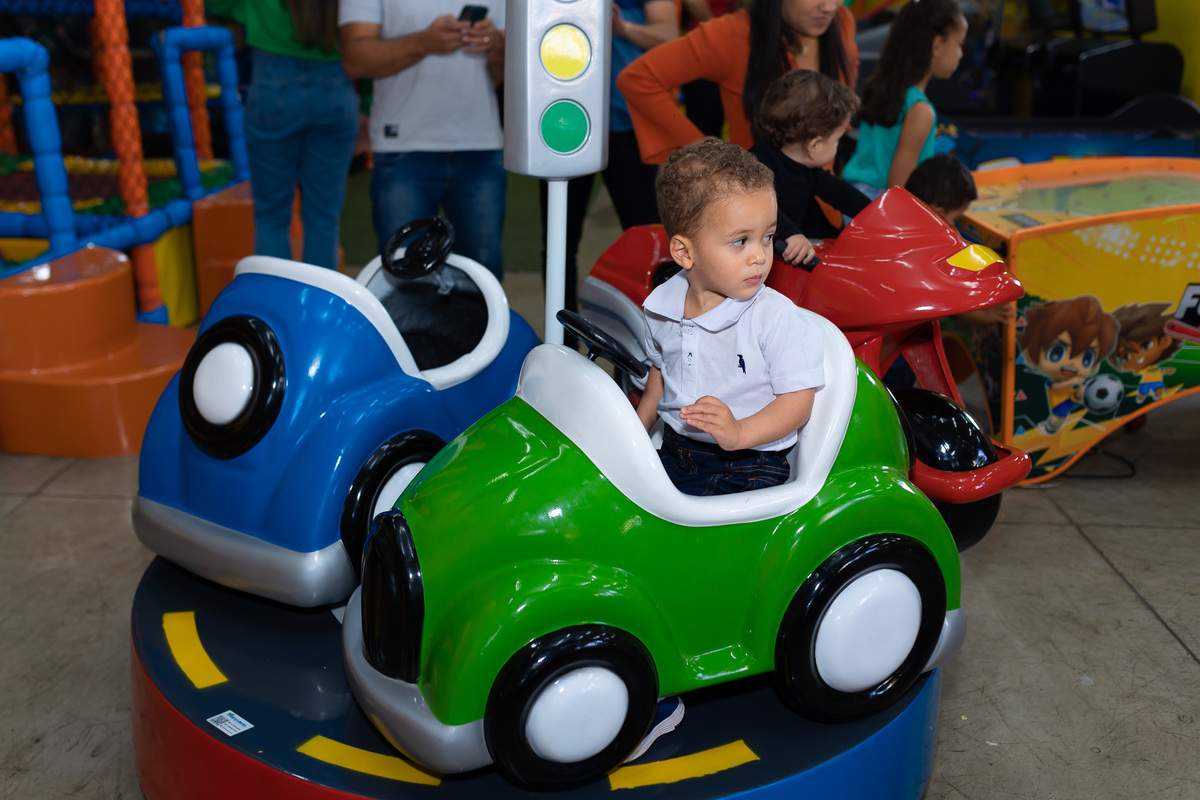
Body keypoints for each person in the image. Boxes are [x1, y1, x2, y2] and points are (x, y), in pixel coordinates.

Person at [638, 140, 824, 497]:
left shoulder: (774, 317)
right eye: (741, 241)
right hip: (677, 449)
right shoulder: (661, 307)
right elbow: (660, 374)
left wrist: (739, 432)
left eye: (767, 237)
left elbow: (797, 402)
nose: (760, 256)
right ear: (684, 252)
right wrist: (636, 431)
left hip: (748, 463)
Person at [339, 0, 506, 280]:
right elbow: (354, 60)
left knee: (482, 280)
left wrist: (494, 44)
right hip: (402, 146)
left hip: (480, 144)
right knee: (403, 279)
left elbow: (508, 73)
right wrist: (423, 43)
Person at [538, 0, 677, 330]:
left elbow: (669, 34)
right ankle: (562, 342)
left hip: (627, 126)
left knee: (651, 241)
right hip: (564, 124)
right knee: (558, 244)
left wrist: (621, 27)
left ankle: (656, 337)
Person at [616, 0, 859, 165]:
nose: (829, 6)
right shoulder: (733, 34)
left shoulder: (841, 22)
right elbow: (639, 78)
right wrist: (700, 145)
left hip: (825, 200)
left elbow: (849, 71)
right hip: (761, 205)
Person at [240, 0, 361, 270]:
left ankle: (275, 296)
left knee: (271, 216)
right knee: (324, 218)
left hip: (272, 84)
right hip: (335, 87)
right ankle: (318, 296)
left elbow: (216, 5)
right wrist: (366, 104)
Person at [841, 0, 967, 198]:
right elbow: (898, 191)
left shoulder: (882, 88)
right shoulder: (920, 110)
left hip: (851, 197)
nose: (961, 54)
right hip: (879, 206)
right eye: (959, 44)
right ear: (937, 45)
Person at [749, 69, 870, 262]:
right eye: (837, 140)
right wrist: (790, 233)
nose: (837, 145)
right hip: (765, 258)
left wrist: (874, 211)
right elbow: (758, 205)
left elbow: (839, 192)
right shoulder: (757, 164)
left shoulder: (807, 169)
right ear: (814, 145)